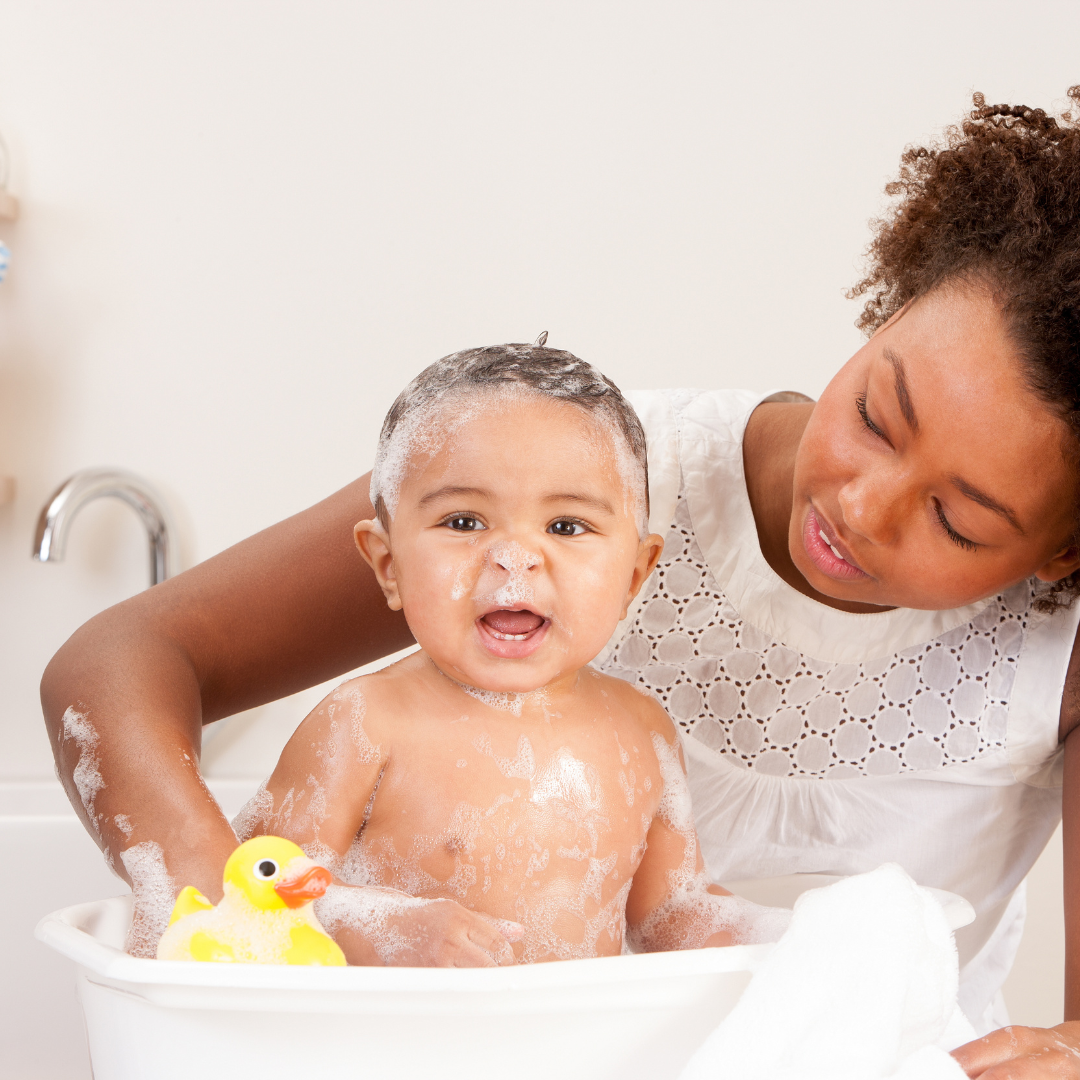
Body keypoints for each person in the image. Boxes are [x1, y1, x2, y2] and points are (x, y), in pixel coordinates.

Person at [40, 87, 1080, 1075]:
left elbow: (681, 915)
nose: (863, 504)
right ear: (888, 309)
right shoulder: (572, 482)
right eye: (876, 414)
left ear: (1063, 555)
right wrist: (219, 927)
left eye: (955, 519)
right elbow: (123, 660)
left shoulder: (1049, 647)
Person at [231, 346, 787, 964]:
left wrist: (802, 938)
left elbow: (670, 914)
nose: (515, 557)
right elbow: (249, 892)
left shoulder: (642, 731)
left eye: (567, 526)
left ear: (634, 576)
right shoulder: (365, 722)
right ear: (388, 565)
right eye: (465, 522)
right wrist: (383, 929)